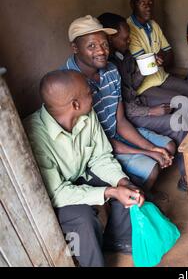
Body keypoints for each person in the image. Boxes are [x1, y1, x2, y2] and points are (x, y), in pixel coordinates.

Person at [24, 70, 145, 267]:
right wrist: (110, 192)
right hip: (51, 196)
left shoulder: (87, 116)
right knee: (83, 218)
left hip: (77, 176)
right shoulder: (33, 136)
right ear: (75, 104)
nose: (94, 95)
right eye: (89, 92)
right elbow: (57, 193)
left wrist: (121, 183)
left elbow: (101, 157)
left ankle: (118, 239)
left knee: (130, 185)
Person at [97, 12, 188, 192]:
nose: (129, 40)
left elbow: (132, 85)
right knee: (178, 124)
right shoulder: (107, 68)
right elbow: (122, 110)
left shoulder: (124, 57)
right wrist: (150, 111)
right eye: (124, 38)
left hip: (138, 102)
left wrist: (145, 70)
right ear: (111, 38)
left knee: (186, 105)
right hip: (133, 114)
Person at [62, 15, 175, 198]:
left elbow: (120, 121)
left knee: (168, 147)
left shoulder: (111, 71)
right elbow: (97, 142)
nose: (101, 51)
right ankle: (140, 200)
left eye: (105, 44)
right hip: (97, 150)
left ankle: (145, 194)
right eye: (91, 46)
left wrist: (151, 149)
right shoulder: (68, 85)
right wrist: (146, 151)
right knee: (152, 167)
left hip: (116, 133)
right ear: (75, 48)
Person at [127, 0, 188, 105]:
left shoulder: (153, 25)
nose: (148, 7)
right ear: (132, 5)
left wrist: (160, 59)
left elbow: (169, 53)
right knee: (182, 101)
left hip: (162, 77)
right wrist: (158, 58)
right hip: (145, 86)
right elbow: (147, 65)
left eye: (150, 3)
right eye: (142, 3)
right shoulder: (128, 29)